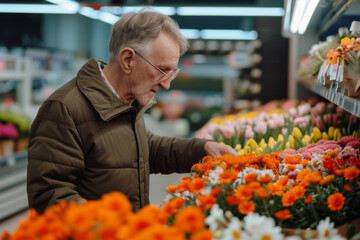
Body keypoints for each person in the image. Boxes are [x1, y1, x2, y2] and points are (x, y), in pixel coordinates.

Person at [27, 9, 237, 214]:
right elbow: (50, 194)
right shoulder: (64, 109)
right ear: (128, 60)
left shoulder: (126, 102)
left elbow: (145, 150)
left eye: (172, 73)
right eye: (162, 71)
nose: (166, 85)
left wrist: (203, 149)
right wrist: (117, 227)